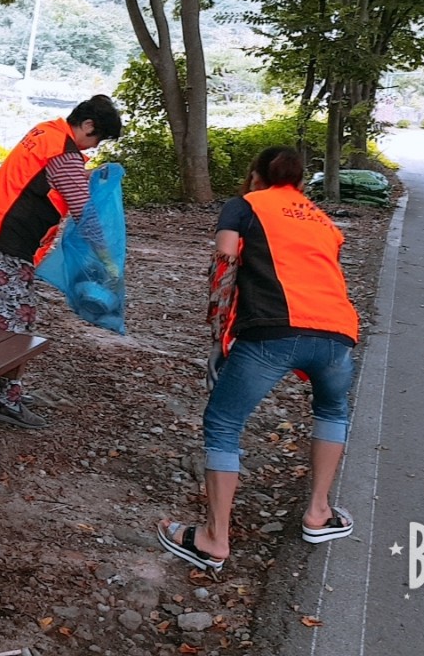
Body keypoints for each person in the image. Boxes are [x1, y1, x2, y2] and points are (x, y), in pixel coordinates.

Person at [157, 146, 359, 571]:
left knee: (224, 422)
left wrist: (218, 339)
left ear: (255, 176)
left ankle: (214, 538)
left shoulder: (245, 205)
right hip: (338, 334)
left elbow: (225, 265)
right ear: (300, 182)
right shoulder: (323, 221)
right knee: (332, 410)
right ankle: (319, 512)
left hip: (273, 330)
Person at [0, 94, 124, 429]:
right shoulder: (64, 154)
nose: (94, 147)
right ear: (88, 125)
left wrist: (88, 176)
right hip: (10, 240)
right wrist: (107, 259)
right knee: (15, 321)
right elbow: (85, 215)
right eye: (97, 139)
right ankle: (3, 399)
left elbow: (48, 178)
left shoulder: (46, 131)